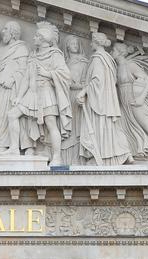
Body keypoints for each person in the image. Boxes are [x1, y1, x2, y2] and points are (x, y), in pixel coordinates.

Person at [14, 22, 72, 164]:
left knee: (51, 122)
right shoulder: (33, 55)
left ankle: (57, 157)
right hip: (32, 94)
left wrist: (48, 73)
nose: (33, 38)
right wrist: (19, 97)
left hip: (46, 92)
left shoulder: (55, 54)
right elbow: (26, 78)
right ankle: (14, 148)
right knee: (12, 115)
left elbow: (65, 74)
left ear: (44, 39)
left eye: (37, 36)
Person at [76, 32, 131, 166]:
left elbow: (97, 80)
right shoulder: (107, 58)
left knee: (101, 127)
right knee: (108, 127)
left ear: (96, 43)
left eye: (92, 42)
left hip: (99, 101)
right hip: (106, 100)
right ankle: (122, 153)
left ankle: (104, 157)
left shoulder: (98, 58)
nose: (90, 44)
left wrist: (83, 92)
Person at [0, 22, 30, 152]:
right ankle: (3, 144)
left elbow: (24, 70)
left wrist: (12, 79)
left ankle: (15, 146)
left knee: (10, 115)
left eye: (6, 29)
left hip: (11, 87)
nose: (3, 32)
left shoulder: (21, 49)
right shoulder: (4, 49)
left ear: (13, 33)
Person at [61, 35, 89, 164]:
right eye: (72, 44)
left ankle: (79, 158)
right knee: (67, 126)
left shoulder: (84, 62)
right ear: (67, 46)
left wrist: (77, 86)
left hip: (78, 96)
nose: (75, 46)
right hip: (66, 97)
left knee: (78, 127)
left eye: (76, 44)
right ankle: (66, 159)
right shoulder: (63, 62)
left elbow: (88, 82)